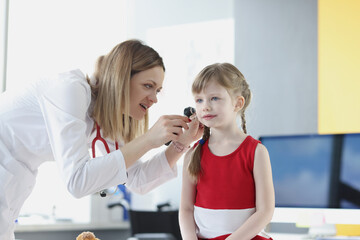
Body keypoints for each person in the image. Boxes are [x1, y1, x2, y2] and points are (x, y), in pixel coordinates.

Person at [0, 39, 203, 240]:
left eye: (157, 90)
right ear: (121, 78)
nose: (154, 98)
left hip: (13, 185)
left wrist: (181, 143)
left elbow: (137, 181)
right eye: (148, 86)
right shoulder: (70, 89)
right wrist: (149, 139)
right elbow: (77, 182)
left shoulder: (105, 118)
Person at [179, 63, 275, 240]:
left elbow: (265, 211)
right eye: (199, 100)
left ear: (238, 103)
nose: (205, 106)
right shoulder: (193, 154)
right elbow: (186, 209)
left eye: (214, 98)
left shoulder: (257, 152)